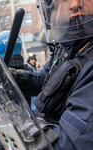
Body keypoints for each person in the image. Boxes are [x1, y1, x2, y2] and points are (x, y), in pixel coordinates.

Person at [11, 0, 93, 149]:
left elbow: (70, 142)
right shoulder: (67, 48)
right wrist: (15, 76)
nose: (75, 4)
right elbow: (43, 80)